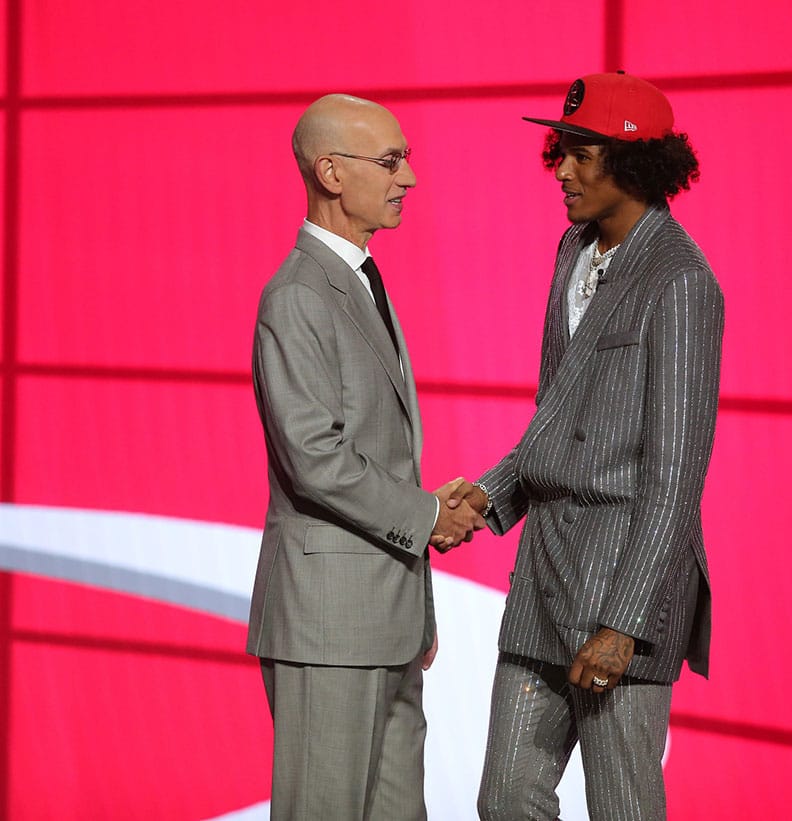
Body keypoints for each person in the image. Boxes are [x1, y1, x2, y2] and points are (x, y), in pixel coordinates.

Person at [449, 72, 725, 820]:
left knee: (623, 808)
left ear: (633, 164)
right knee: (506, 799)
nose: (561, 170)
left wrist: (626, 622)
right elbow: (555, 415)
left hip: (624, 591)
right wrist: (491, 495)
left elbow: (674, 478)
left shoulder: (682, 281)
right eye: (560, 150)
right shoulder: (571, 251)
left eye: (581, 154)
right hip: (545, 574)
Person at [246, 93, 482, 820]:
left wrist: (420, 601)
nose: (408, 176)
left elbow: (379, 453)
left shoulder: (359, 279)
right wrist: (429, 514)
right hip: (328, 626)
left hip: (388, 620)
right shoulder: (296, 295)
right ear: (331, 172)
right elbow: (315, 458)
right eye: (390, 160)